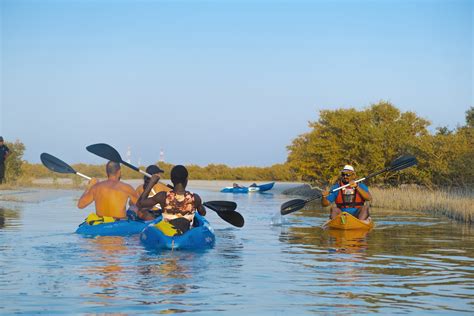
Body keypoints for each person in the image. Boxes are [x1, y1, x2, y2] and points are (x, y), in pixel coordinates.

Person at [137, 165, 206, 236]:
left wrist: (151, 183)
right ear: (186, 180)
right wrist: (199, 204)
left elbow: (139, 204)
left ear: (172, 180)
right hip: (186, 233)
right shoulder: (195, 197)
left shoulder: (162, 196)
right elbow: (203, 213)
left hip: (167, 233)